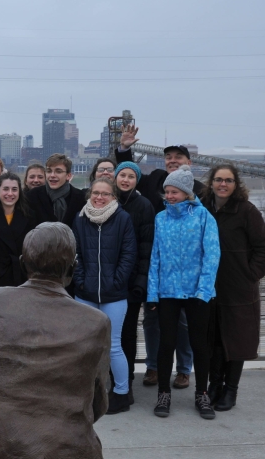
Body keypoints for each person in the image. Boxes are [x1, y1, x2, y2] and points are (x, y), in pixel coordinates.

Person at [0, 222, 110, 459]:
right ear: (74, 267)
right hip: (70, 448)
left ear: (22, 263)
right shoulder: (96, 322)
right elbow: (98, 403)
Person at [116, 125, 198, 388]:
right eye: (169, 158)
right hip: (154, 264)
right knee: (151, 319)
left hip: (183, 267)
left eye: (178, 158)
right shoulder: (154, 179)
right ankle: (152, 367)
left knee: (183, 321)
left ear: (189, 162)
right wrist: (124, 149)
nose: (172, 161)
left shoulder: (200, 189)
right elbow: (127, 176)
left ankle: (184, 369)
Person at [148, 165, 220, 420]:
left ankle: (202, 394)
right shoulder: (161, 218)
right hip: (167, 292)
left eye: (174, 191)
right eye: (167, 191)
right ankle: (164, 394)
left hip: (197, 294)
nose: (169, 196)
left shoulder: (203, 217)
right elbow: (155, 258)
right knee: (166, 345)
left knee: (199, 345)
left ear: (186, 193)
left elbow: (212, 255)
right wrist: (152, 294)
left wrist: (203, 291)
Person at [201, 164, 265, 411]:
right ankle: (214, 386)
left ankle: (231, 390)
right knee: (214, 341)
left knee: (237, 341)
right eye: (219, 180)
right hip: (209, 288)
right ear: (211, 182)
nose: (223, 184)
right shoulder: (202, 209)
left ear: (236, 184)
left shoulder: (246, 211)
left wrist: (250, 275)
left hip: (239, 290)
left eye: (229, 180)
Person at [72, 177, 137, 415]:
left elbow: (129, 255)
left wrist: (115, 282)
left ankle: (121, 393)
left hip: (114, 296)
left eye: (105, 194)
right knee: (87, 347)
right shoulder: (80, 218)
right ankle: (89, 393)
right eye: (96, 193)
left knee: (113, 346)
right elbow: (75, 253)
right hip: (85, 295)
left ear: (113, 197)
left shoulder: (122, 219)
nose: (99, 197)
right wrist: (81, 281)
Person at [114, 161, 155, 405]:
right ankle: (111, 380)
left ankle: (126, 383)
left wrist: (141, 283)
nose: (126, 180)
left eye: (131, 176)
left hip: (131, 285)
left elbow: (146, 248)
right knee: (109, 337)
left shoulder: (144, 205)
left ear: (136, 180)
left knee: (127, 335)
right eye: (122, 175)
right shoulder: (107, 201)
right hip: (109, 283)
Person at [0, 173, 34, 288]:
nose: (10, 193)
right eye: (5, 189)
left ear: (19, 192)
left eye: (14, 189)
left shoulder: (29, 216)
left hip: (22, 278)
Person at [26, 153, 86, 229]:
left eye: (58, 171)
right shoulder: (32, 196)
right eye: (49, 171)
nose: (52, 175)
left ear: (68, 176)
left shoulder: (80, 198)